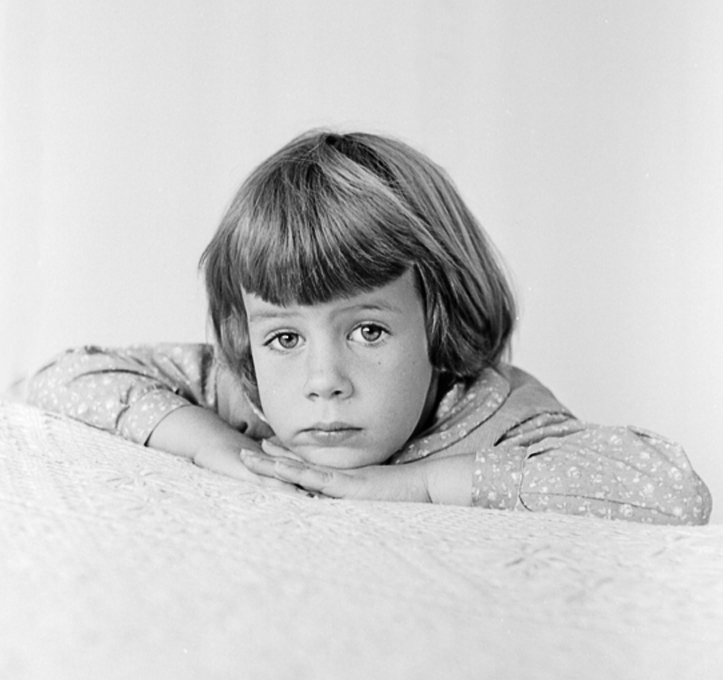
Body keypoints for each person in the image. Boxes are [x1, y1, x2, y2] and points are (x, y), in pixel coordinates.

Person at [25, 130, 711, 524]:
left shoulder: (491, 414)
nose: (322, 382)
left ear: (439, 321)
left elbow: (674, 494)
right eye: (285, 337)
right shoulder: (248, 389)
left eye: (368, 332)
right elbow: (58, 377)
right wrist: (213, 447)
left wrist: (419, 484)